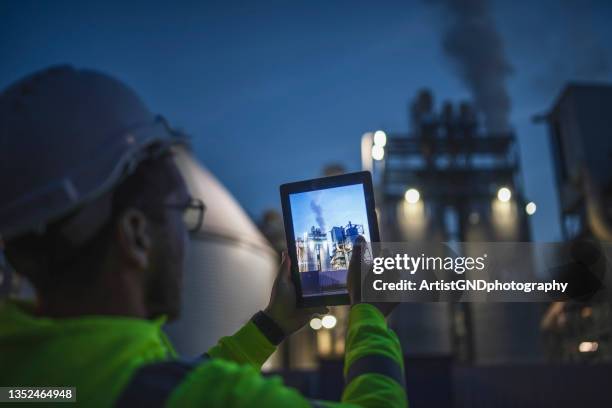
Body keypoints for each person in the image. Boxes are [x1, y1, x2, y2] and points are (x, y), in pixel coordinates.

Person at [0, 66, 406, 407]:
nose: (184, 232)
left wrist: (271, 326)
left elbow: (167, 383)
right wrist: (369, 316)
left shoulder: (25, 379)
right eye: (182, 212)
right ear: (136, 235)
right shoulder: (197, 396)